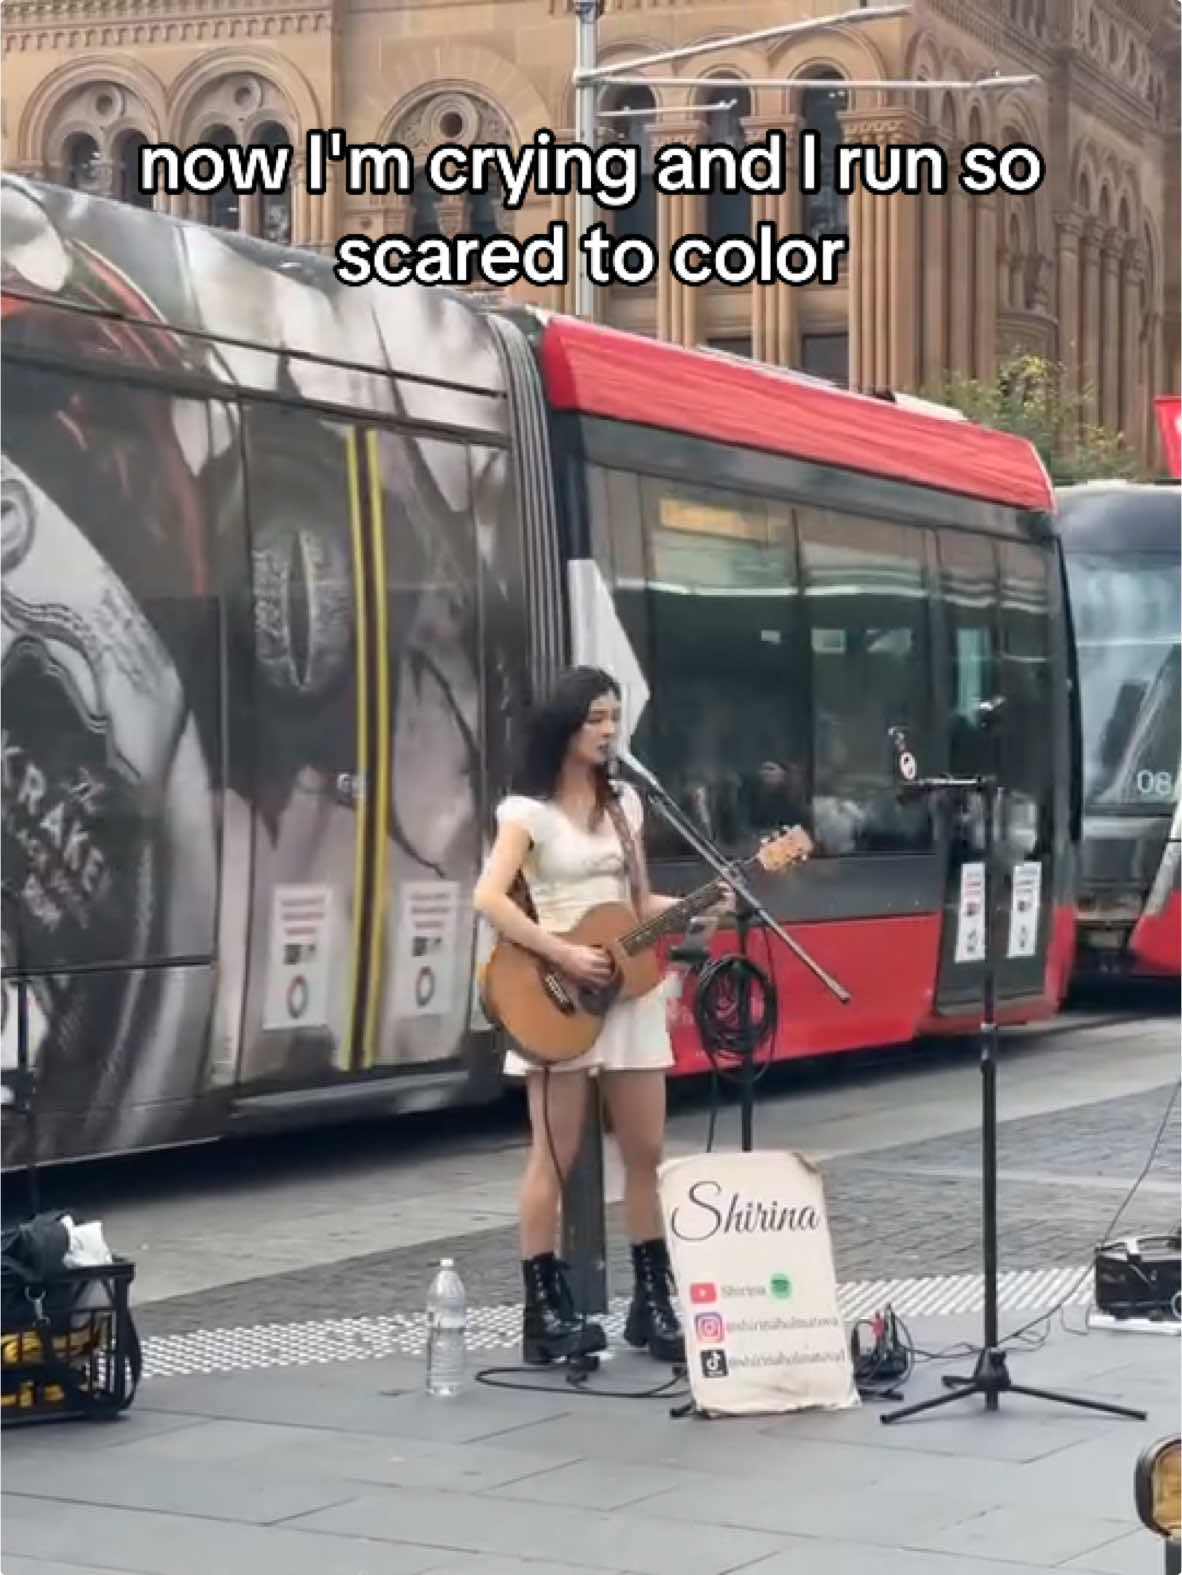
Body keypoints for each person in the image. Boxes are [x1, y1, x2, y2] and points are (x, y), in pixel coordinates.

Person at [473, 666, 734, 1367]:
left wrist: (701, 903)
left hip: (627, 995)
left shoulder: (627, 805)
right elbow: (490, 898)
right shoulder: (525, 815)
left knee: (646, 1152)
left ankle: (653, 1300)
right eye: (595, 717)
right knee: (554, 1157)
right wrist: (563, 951)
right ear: (565, 724)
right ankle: (545, 1308)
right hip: (557, 992)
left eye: (614, 717)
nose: (609, 729)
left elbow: (635, 905)